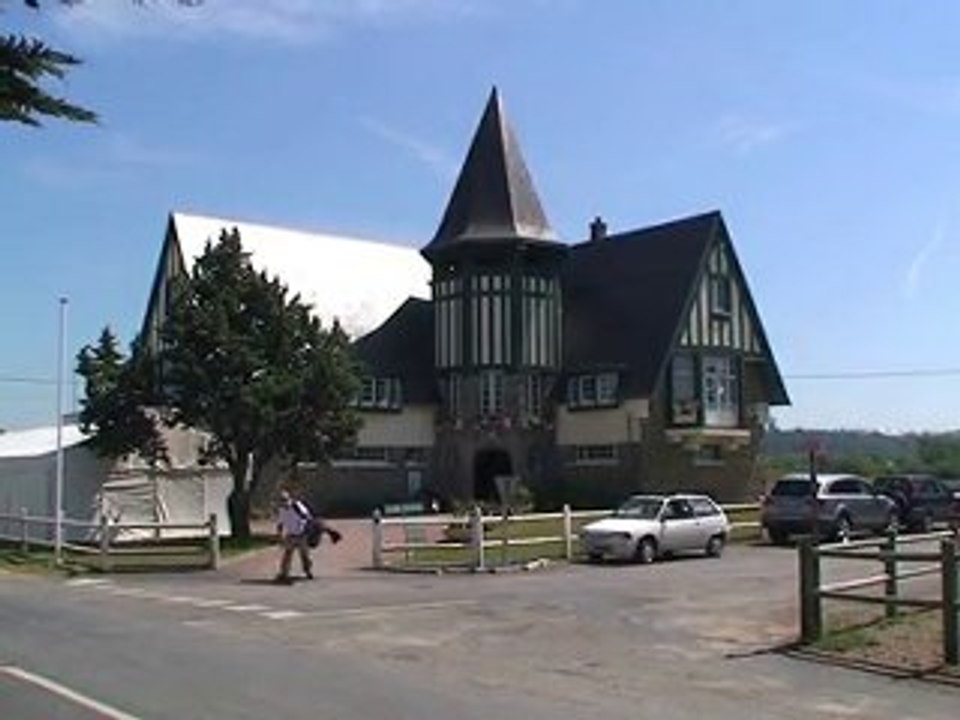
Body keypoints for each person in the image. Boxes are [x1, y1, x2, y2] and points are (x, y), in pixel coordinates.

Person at [274, 489, 313, 583]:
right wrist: (279, 535)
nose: (284, 502)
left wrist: (304, 525)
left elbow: (307, 516)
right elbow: (280, 523)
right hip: (290, 535)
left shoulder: (297, 506)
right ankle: (284, 573)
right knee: (287, 554)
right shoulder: (281, 510)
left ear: (289, 498)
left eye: (285, 499)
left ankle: (307, 570)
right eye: (281, 500)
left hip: (302, 534)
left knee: (305, 555)